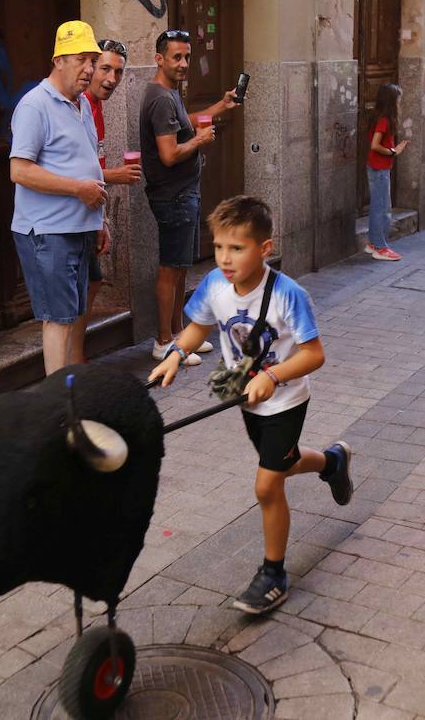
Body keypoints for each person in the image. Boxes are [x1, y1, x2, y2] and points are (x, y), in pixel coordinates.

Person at [148, 195, 353, 614]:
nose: (225, 257)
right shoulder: (214, 285)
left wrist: (273, 375)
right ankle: (332, 462)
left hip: (286, 400)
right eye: (220, 246)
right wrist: (174, 353)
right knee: (284, 464)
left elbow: (314, 354)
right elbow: (197, 327)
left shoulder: (287, 295)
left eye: (237, 248)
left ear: (264, 249)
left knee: (267, 484)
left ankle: (273, 574)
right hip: (246, 399)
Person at [9, 21, 107, 375]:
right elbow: (19, 171)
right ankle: (57, 404)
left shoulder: (81, 104)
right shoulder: (35, 105)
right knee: (58, 319)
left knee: (72, 314)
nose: (90, 69)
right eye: (82, 60)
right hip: (47, 232)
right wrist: (77, 190)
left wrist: (100, 221)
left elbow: (87, 166)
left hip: (77, 228)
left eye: (92, 61)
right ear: (58, 60)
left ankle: (67, 393)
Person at [141, 29, 240, 365]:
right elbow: (169, 154)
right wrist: (200, 142)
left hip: (183, 193)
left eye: (186, 57)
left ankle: (180, 333)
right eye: (176, 58)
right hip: (173, 195)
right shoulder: (160, 98)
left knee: (181, 266)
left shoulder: (170, 93)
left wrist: (222, 106)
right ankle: (164, 342)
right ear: (159, 59)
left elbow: (187, 124)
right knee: (171, 268)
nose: (184, 64)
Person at [73, 39, 143, 359]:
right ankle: (73, 359)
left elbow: (93, 161)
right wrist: (113, 176)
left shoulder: (94, 106)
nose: (112, 79)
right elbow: (76, 170)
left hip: (89, 213)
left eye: (118, 71)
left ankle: (76, 354)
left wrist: (102, 220)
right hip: (68, 216)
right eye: (105, 68)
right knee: (80, 289)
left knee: (93, 282)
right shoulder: (77, 104)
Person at [364, 83, 409, 261]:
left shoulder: (377, 117)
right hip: (379, 168)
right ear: (391, 101)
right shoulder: (384, 120)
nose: (399, 103)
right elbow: (375, 145)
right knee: (381, 208)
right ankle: (380, 246)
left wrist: (395, 148)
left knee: (379, 206)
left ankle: (373, 243)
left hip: (377, 167)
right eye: (398, 100)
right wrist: (392, 151)